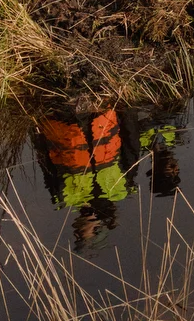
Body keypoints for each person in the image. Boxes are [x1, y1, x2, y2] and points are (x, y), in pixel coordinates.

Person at [34, 107, 133, 251]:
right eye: (80, 235)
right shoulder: (121, 188)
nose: (75, 232)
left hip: (59, 115)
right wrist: (126, 108)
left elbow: (44, 160)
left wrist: (36, 127)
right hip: (100, 110)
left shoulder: (64, 198)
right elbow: (130, 142)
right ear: (97, 228)